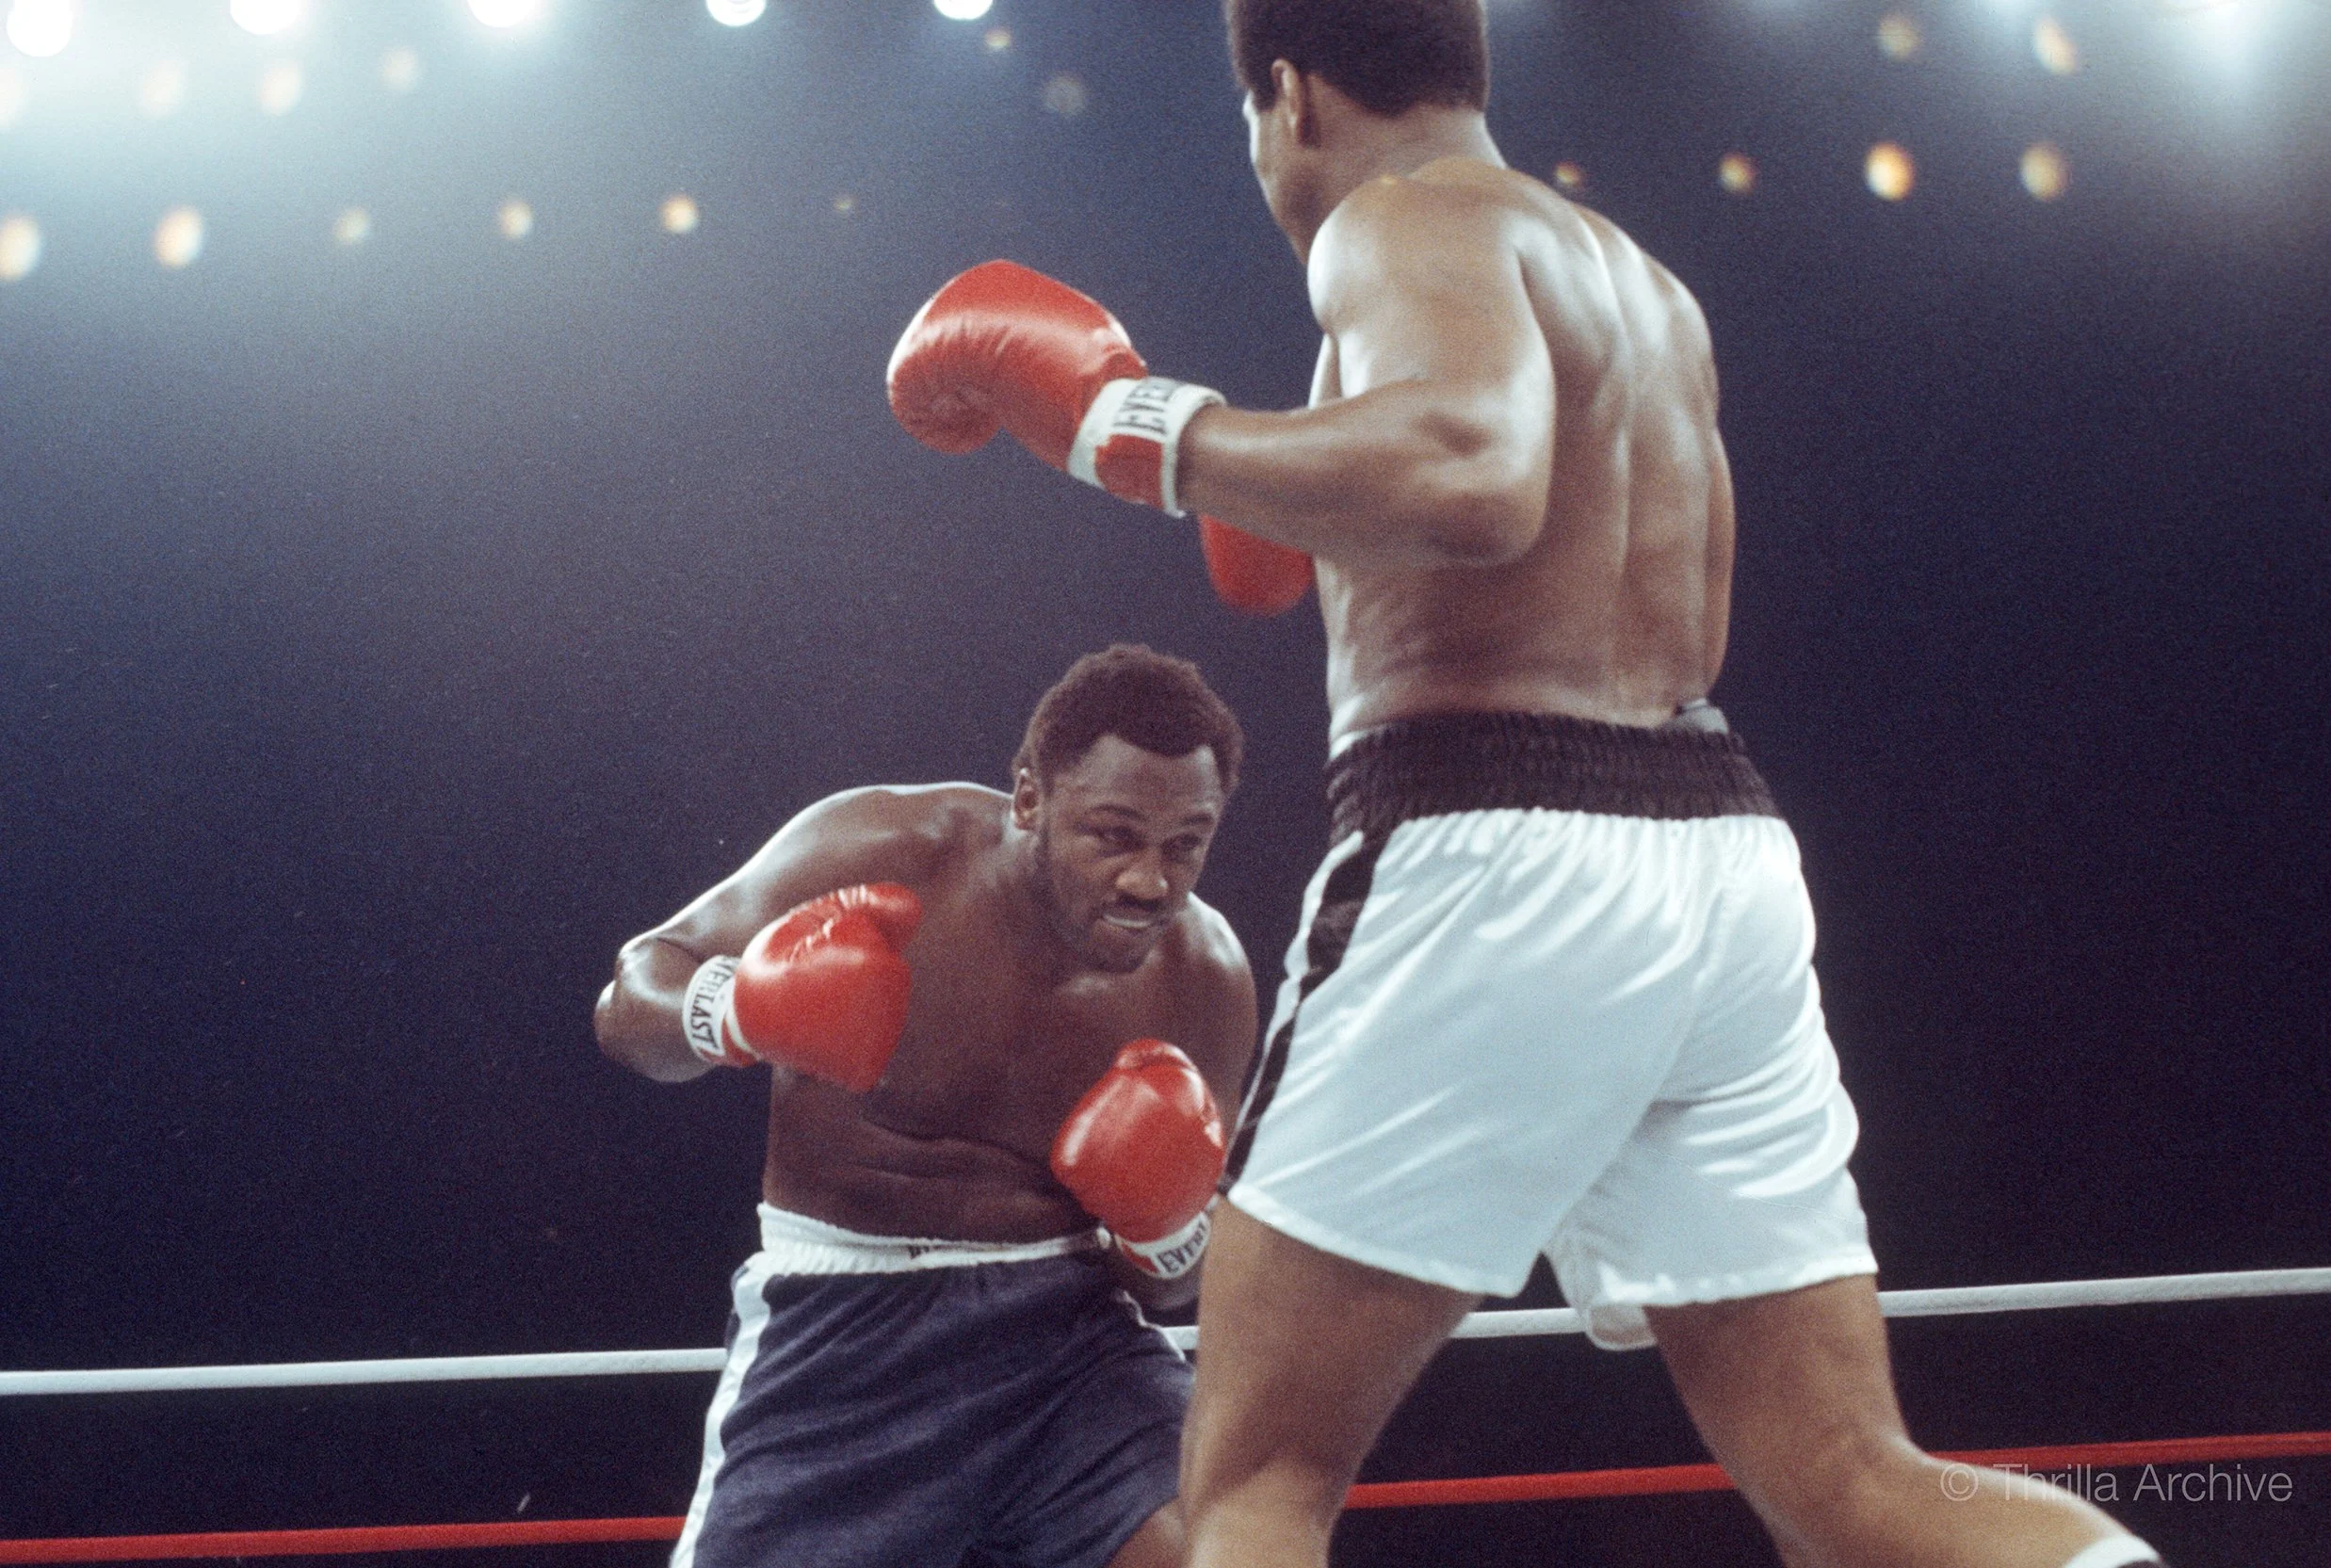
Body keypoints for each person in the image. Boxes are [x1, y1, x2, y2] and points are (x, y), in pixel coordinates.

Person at [881, 5, 2168, 1565]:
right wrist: (1289, 469)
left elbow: (1475, 478)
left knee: (1249, 1487)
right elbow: (1658, 601)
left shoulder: (1396, 220)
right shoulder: (1641, 286)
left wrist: (1133, 430)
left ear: (1286, 95)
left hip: (1498, 846)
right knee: (1850, 1481)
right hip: (1721, 857)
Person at [594, 644, 1260, 1568]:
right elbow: (630, 1001)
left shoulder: (1205, 980)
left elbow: (1172, 1285)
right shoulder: (890, 851)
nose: (1150, 881)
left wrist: (1169, 1227)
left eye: (1184, 844)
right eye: (1113, 835)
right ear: (1030, 799)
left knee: (1236, 1545)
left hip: (1074, 1352)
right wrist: (737, 1008)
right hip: (845, 1341)